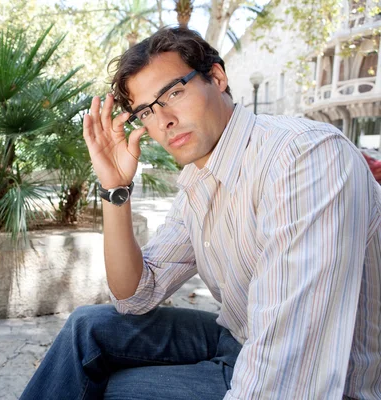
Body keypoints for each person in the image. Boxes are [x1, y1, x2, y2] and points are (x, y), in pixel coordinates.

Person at [20, 27, 381, 400]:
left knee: (112, 391)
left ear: (218, 78)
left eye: (173, 92)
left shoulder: (303, 158)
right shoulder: (198, 178)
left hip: (329, 379)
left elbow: (290, 376)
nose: (163, 120)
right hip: (237, 337)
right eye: (146, 111)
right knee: (86, 328)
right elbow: (134, 296)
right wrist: (116, 190)